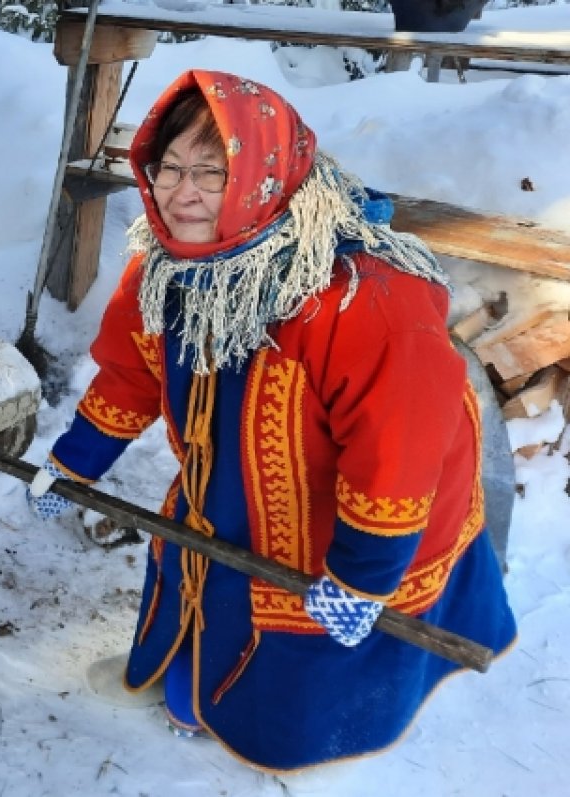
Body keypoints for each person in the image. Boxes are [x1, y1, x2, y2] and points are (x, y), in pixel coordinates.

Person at [27, 70, 517, 773]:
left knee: (304, 633)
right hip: (226, 491)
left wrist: (363, 578)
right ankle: (193, 687)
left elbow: (398, 453)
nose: (182, 192)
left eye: (211, 172)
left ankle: (282, 728)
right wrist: (73, 463)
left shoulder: (364, 301)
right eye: (168, 168)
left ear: (263, 171)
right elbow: (130, 375)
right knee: (209, 566)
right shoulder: (164, 272)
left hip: (343, 520)